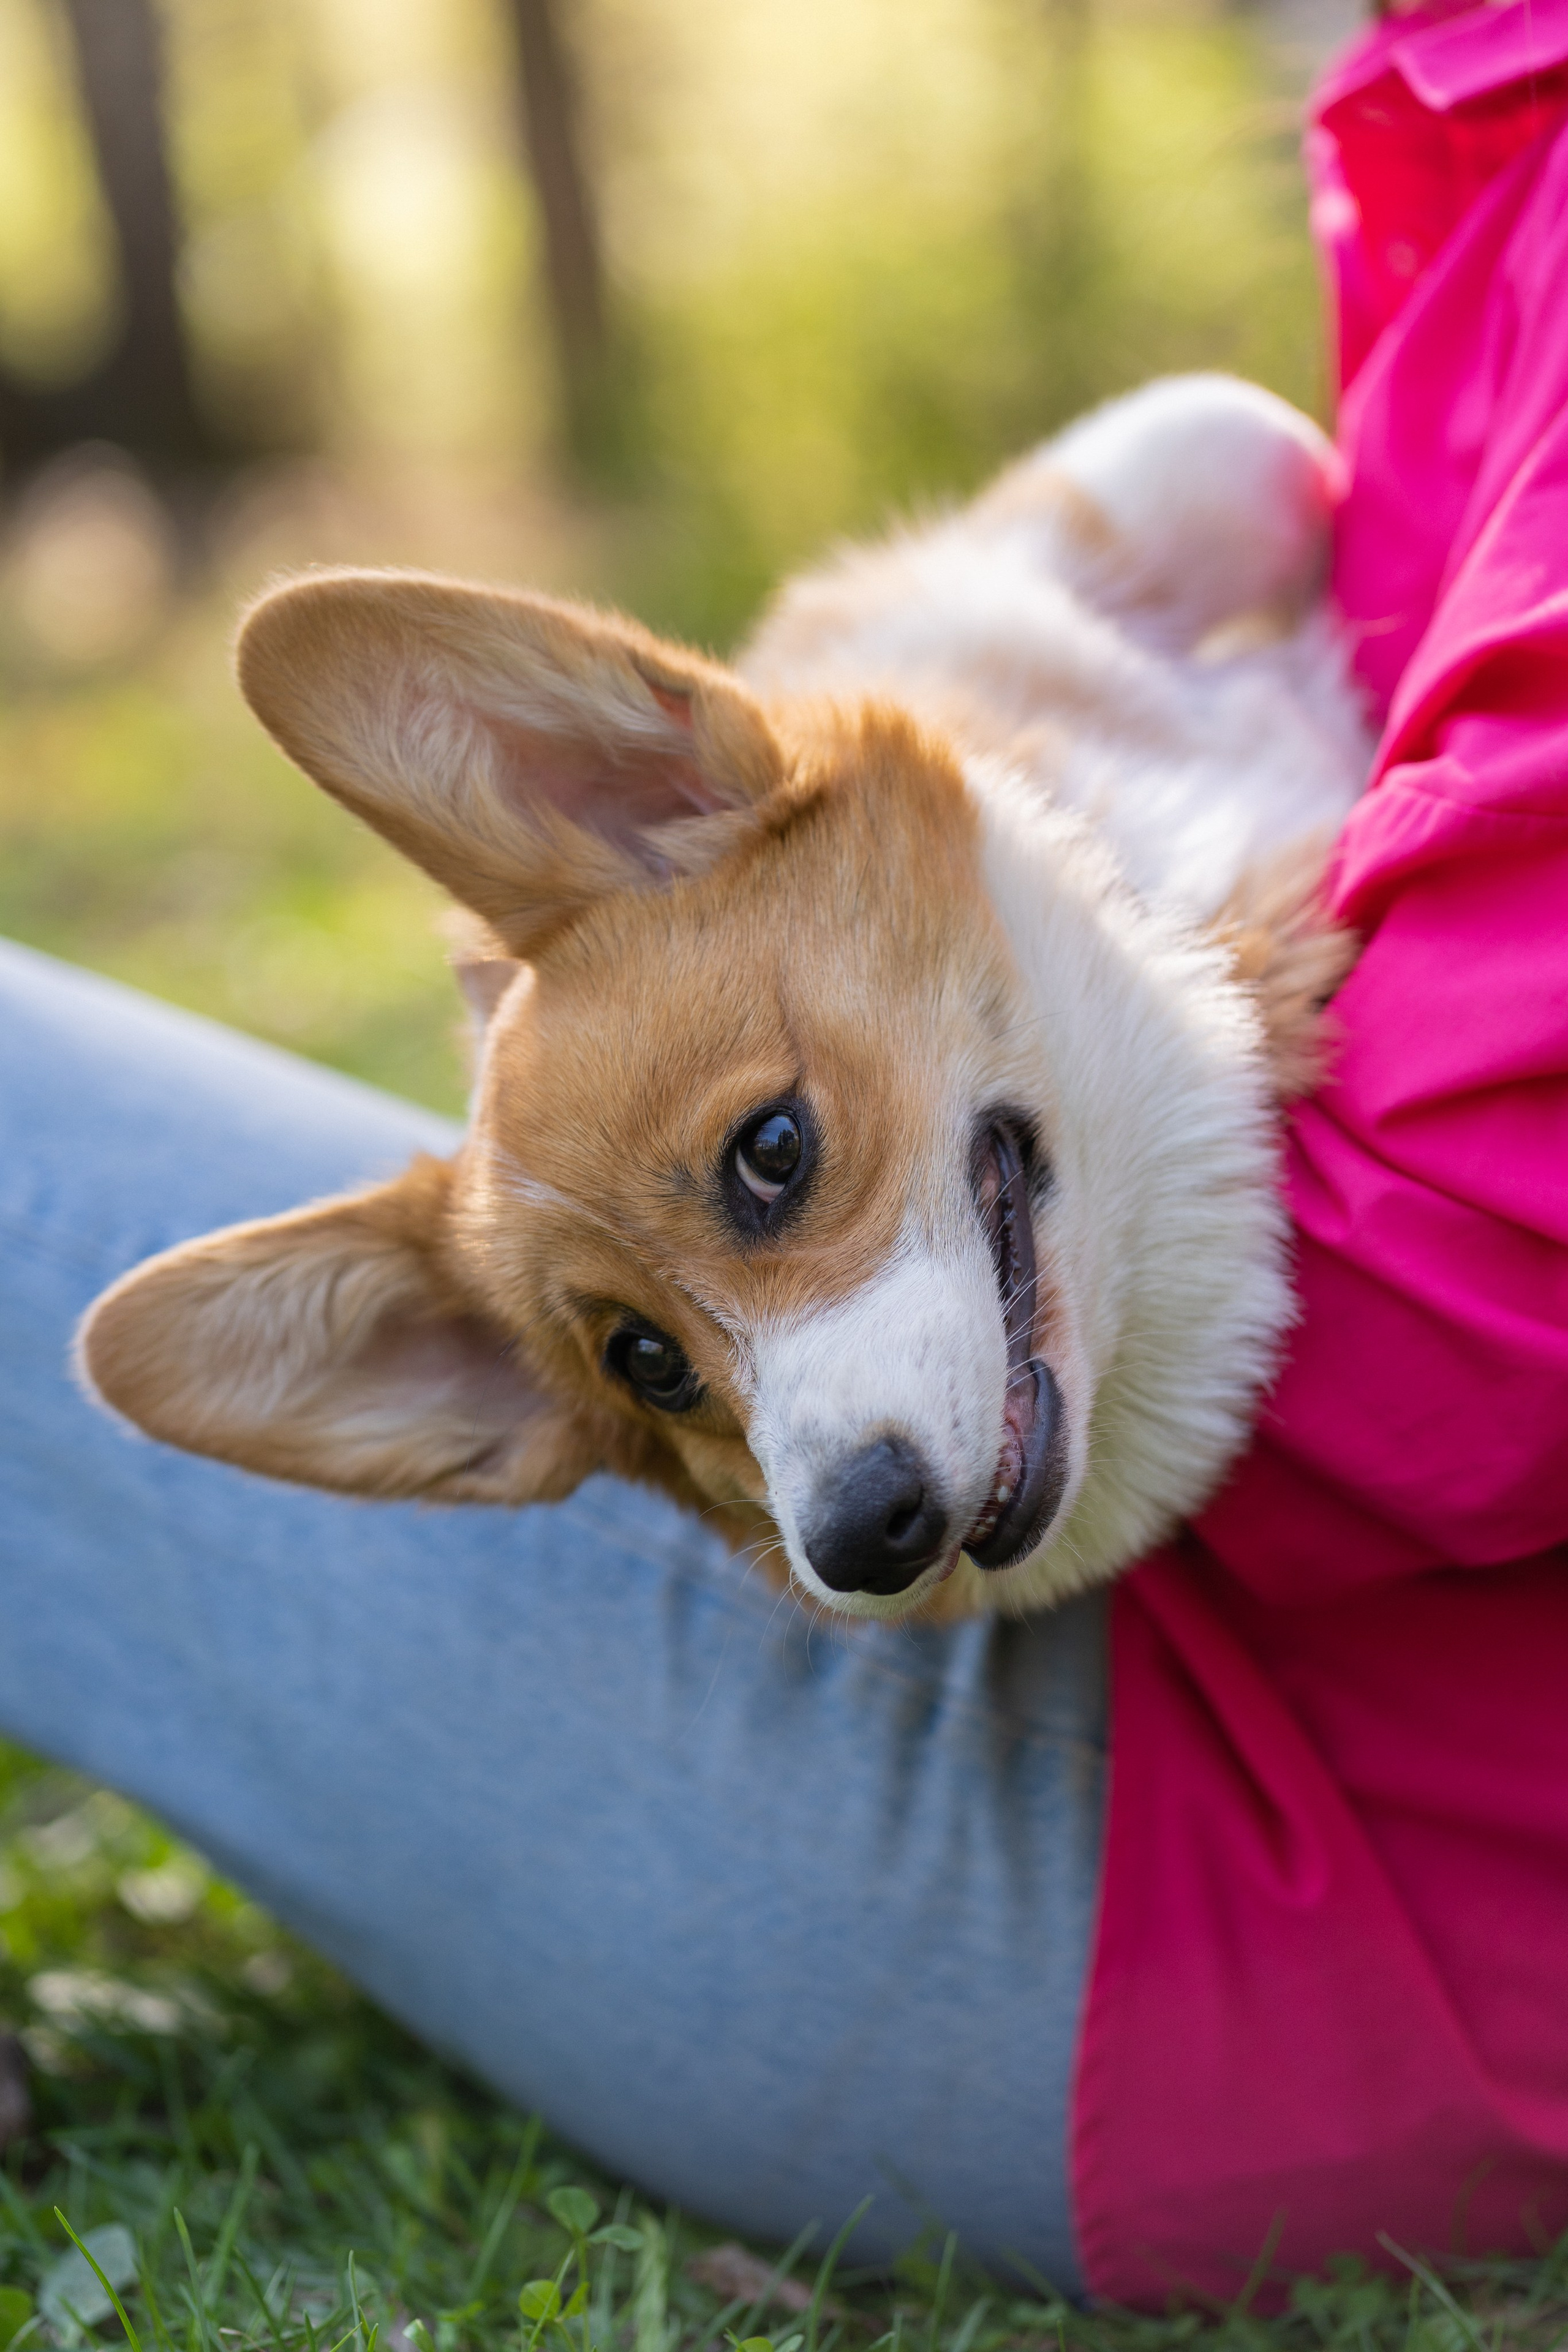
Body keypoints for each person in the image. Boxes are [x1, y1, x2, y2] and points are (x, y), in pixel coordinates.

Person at [4, 0, 1568, 2301]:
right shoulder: (1464, 126)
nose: (812, 1458)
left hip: (1288, 1896)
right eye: (672, 1371)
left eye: (768, 1166)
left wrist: (948, 702)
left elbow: (1480, 1263)